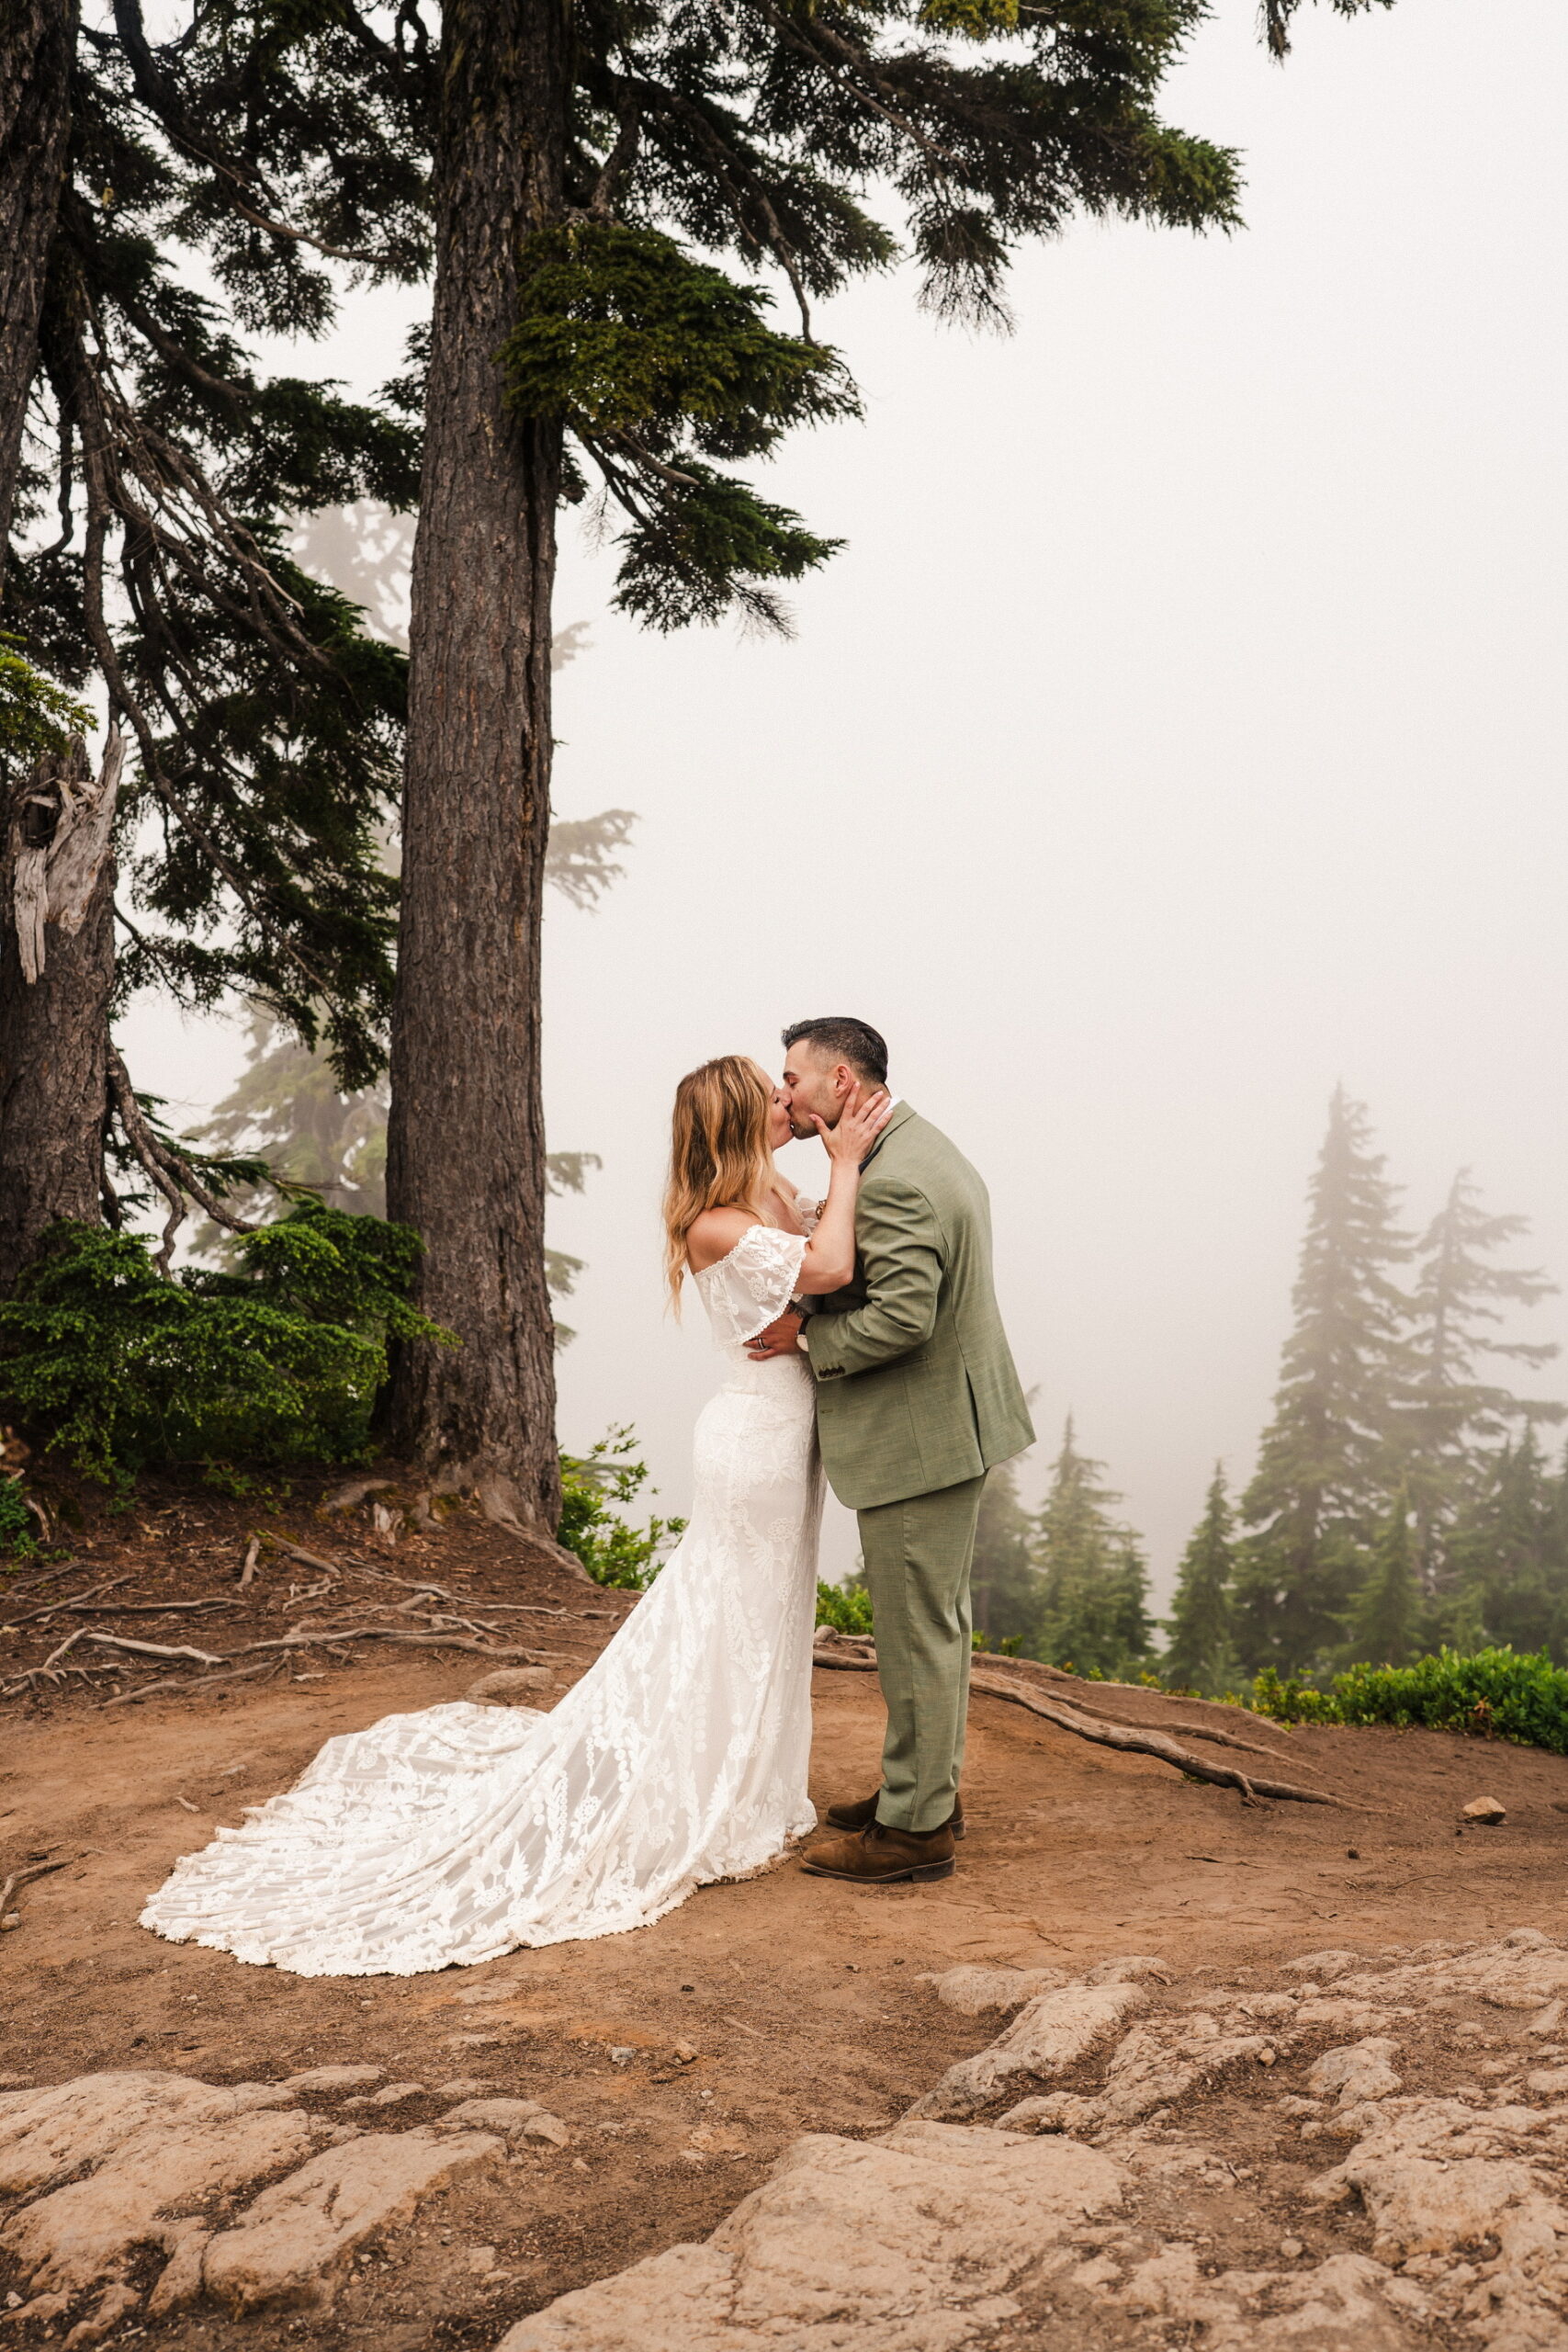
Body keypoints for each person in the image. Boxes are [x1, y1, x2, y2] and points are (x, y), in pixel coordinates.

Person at [138, 1057, 891, 1976]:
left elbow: (820, 1248)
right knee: (728, 1610)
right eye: (771, 1097)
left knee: (765, 1611)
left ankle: (749, 1777)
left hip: (786, 1436)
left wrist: (831, 1172)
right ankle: (706, 1782)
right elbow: (836, 1261)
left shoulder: (770, 1190)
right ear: (735, 1123)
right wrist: (848, 1166)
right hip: (755, 1442)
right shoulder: (716, 1224)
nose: (788, 1103)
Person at [749, 1016, 1034, 1887]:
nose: (782, 1092)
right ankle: (920, 1795)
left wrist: (805, 1340)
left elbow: (904, 1317)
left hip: (921, 1436)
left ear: (840, 1081)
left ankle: (913, 1834)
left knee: (917, 1635)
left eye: (792, 1078)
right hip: (949, 1423)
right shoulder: (909, 1149)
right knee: (933, 1626)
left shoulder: (893, 1180)